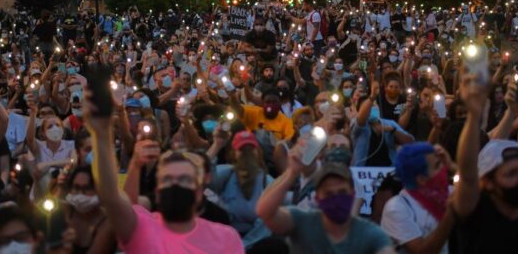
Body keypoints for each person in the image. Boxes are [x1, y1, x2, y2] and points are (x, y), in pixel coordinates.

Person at [85, 90, 244, 253]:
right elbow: (113, 199)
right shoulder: (142, 229)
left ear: (199, 188)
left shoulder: (225, 237)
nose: (175, 185)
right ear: (157, 190)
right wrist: (101, 133)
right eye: (167, 179)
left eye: (184, 180)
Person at [452, 73, 518, 253]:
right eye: (511, 174)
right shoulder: (476, 214)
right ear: (488, 182)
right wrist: (474, 114)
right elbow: (467, 173)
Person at [256, 146, 395, 254]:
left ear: (352, 194)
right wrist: (291, 174)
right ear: (317, 198)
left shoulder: (371, 234)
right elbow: (264, 212)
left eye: (342, 192)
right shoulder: (301, 221)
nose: (336, 198)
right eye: (329, 194)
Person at [381, 142, 456, 254]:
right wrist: (450, 212)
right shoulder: (397, 208)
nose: (444, 168)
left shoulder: (449, 192)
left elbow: (480, 190)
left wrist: (453, 166)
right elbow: (423, 251)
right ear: (421, 179)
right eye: (437, 165)